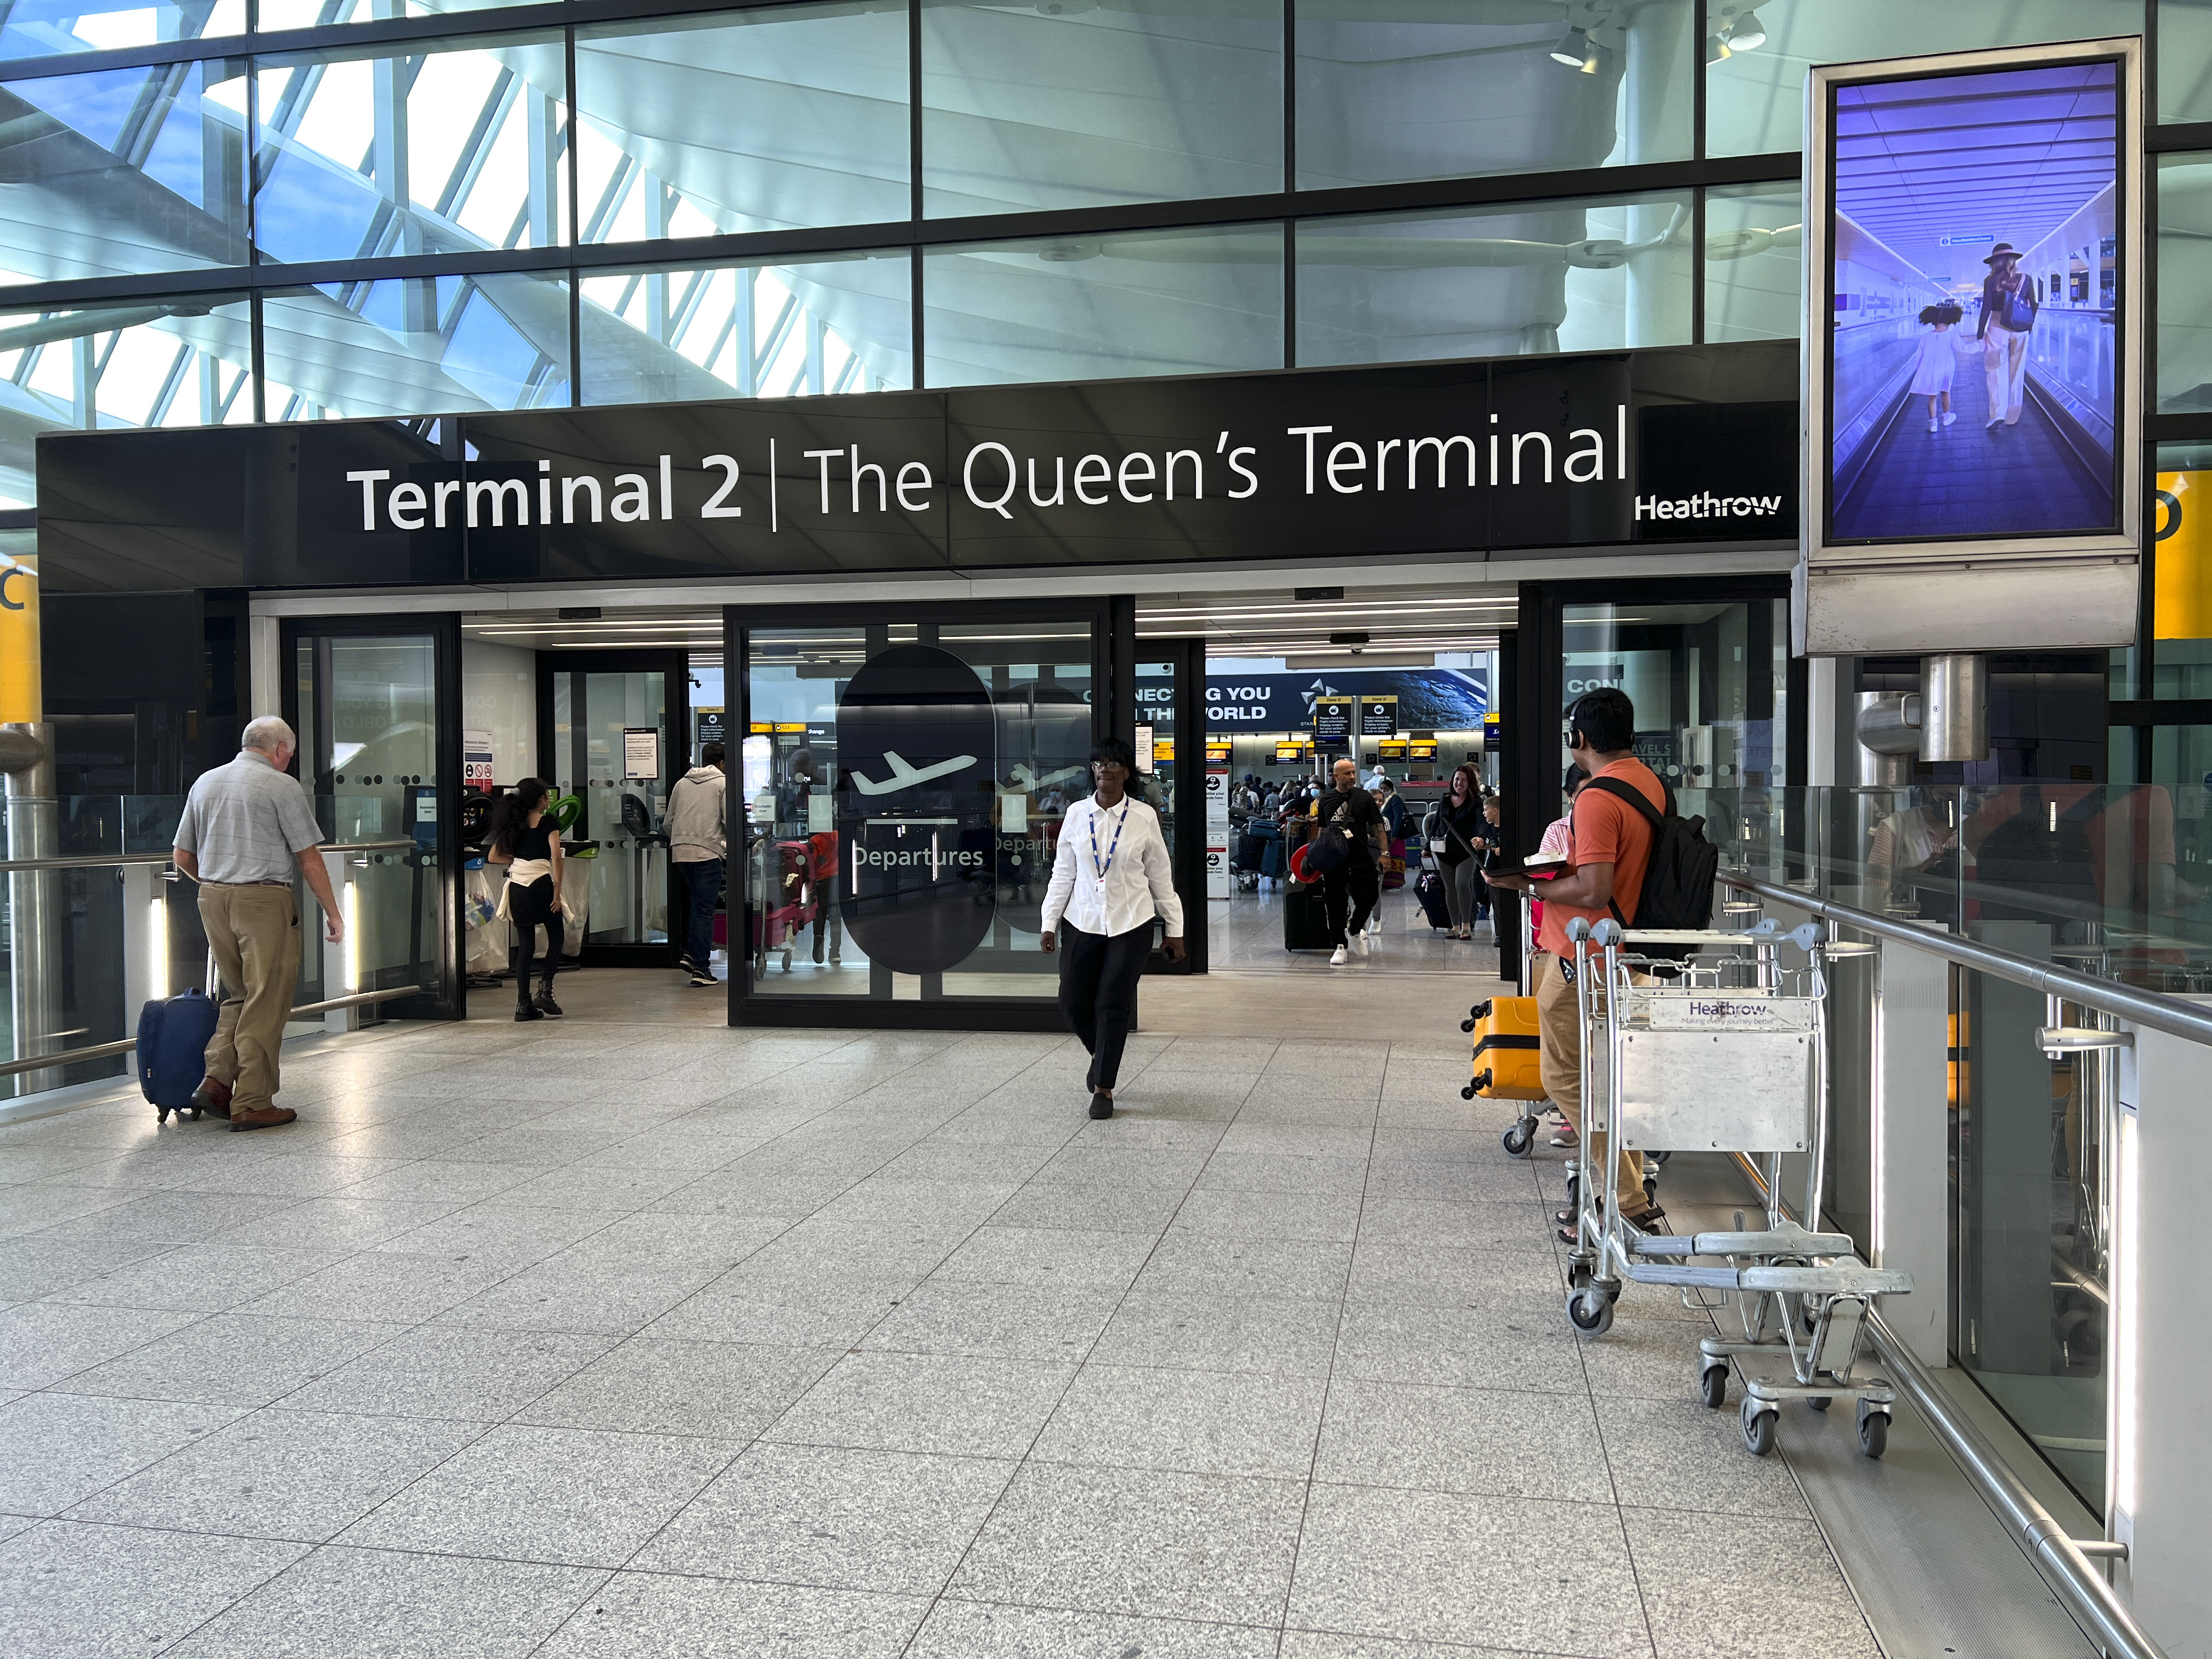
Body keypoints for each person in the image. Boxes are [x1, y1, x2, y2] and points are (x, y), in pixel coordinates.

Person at [1486, 689, 1667, 1238]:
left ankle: (1629, 1198)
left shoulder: (1596, 797)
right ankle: (1628, 1193)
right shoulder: (1651, 785)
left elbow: (1593, 889)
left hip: (1581, 956)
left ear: (1579, 738)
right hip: (1625, 952)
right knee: (1606, 1079)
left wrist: (1528, 884)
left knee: (1563, 1075)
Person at [170, 715, 344, 1132]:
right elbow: (308, 857)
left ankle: (215, 1081)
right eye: (291, 755)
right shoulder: (282, 787)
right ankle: (252, 1102)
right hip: (263, 899)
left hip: (211, 896)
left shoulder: (206, 782)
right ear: (280, 750)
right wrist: (332, 912)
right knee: (267, 999)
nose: (289, 762)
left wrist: (221, 883)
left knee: (240, 995)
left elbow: (182, 857)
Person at [1040, 738, 1184, 1120]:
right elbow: (1063, 874)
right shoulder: (1075, 814)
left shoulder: (1142, 816)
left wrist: (1175, 928)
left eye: (1112, 764)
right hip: (1082, 921)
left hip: (1131, 922)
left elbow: (1160, 876)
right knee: (1072, 1002)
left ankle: (1104, 1087)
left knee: (1111, 1003)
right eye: (1098, 764)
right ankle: (1102, 1057)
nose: (1104, 769)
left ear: (1126, 772)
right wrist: (1048, 921)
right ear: (1092, 771)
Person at [487, 779, 568, 1020]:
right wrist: (557, 891)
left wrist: (517, 862)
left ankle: (523, 1006)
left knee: (526, 946)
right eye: (546, 795)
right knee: (556, 937)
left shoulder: (514, 823)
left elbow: (494, 856)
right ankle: (545, 991)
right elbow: (556, 856)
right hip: (542, 886)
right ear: (541, 798)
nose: (549, 799)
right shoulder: (549, 822)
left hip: (518, 889)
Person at [1313, 755, 1386, 966]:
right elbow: (1323, 829)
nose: (1352, 776)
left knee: (1369, 896)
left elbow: (1378, 827)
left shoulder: (1364, 798)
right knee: (1335, 903)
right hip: (1335, 858)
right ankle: (1339, 946)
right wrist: (1319, 855)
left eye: (1353, 772)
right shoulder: (1325, 799)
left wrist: (1385, 853)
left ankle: (1354, 930)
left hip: (1360, 855)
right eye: (1347, 773)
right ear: (1336, 776)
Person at [669, 742, 728, 987]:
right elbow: (730, 821)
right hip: (707, 853)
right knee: (705, 910)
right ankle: (702, 969)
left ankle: (691, 954)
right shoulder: (722, 784)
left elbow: (669, 821)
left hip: (680, 853)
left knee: (696, 906)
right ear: (723, 763)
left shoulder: (681, 784)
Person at [1976, 242, 2040, 431]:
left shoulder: (1990, 281)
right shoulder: (2026, 279)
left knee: (1995, 370)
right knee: (2017, 371)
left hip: (1997, 325)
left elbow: (1986, 308)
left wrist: (1980, 333)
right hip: (2020, 326)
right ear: (2013, 260)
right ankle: (2012, 416)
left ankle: (1997, 414)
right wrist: (2030, 327)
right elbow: (2034, 305)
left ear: (1994, 263)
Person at [1429, 764, 1488, 940]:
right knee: (1450, 889)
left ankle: (1466, 925)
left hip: (1466, 851)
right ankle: (1454, 926)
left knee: (1462, 884)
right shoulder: (1445, 799)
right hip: (1444, 852)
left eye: (1463, 780)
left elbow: (1481, 823)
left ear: (1470, 782)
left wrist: (1481, 838)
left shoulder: (1476, 802)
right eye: (1456, 779)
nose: (1459, 783)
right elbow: (1437, 823)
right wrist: (1427, 846)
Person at [1909, 303, 1966, 433]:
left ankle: (1933, 424)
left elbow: (1919, 356)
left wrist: (1920, 370)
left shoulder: (1926, 337)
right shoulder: (1952, 335)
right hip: (1947, 369)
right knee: (1946, 391)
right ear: (1949, 322)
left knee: (1932, 397)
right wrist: (1982, 345)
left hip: (1931, 370)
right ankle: (1946, 416)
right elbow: (1963, 348)